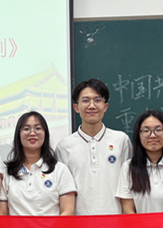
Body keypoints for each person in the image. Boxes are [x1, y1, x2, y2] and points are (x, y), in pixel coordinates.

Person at [54, 79, 131, 215]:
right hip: (78, 221)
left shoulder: (121, 140)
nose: (91, 106)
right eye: (85, 100)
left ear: (105, 107)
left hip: (116, 220)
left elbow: (129, 183)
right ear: (76, 108)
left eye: (97, 100)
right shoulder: (64, 146)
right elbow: (62, 190)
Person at [0, 112, 76, 216]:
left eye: (38, 128)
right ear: (18, 135)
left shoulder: (60, 170)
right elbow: (2, 214)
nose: (32, 133)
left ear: (45, 134)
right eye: (26, 129)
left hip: (53, 227)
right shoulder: (7, 173)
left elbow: (67, 211)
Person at [117, 110, 163, 214]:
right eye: (146, 131)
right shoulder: (128, 167)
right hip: (139, 225)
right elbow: (128, 210)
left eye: (158, 130)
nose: (153, 135)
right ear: (138, 135)